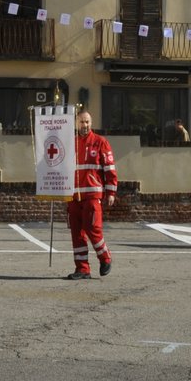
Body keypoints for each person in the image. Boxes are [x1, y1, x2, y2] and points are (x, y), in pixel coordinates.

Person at [66, 110, 117, 280]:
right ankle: (82, 269)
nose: (85, 125)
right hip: (73, 196)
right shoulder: (71, 143)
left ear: (91, 122)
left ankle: (105, 258)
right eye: (81, 122)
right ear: (76, 123)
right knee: (77, 232)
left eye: (87, 122)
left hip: (93, 195)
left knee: (92, 229)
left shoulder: (100, 142)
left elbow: (109, 170)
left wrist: (111, 192)